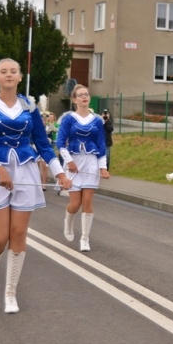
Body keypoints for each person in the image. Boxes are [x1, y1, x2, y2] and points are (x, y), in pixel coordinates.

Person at [0, 59, 72, 314]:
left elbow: (43, 144)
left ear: (20, 77)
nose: (9, 75)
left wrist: (60, 173)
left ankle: (10, 292)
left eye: (13, 71)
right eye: (3, 71)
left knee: (19, 234)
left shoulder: (29, 106)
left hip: (25, 171)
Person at [58, 85, 110, 252]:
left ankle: (85, 238)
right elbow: (60, 143)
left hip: (91, 162)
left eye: (86, 94)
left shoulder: (97, 120)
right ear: (74, 99)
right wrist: (69, 162)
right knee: (75, 203)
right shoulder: (68, 119)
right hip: (73, 161)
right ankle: (68, 222)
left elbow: (101, 144)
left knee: (87, 202)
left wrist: (103, 167)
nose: (84, 97)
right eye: (80, 95)